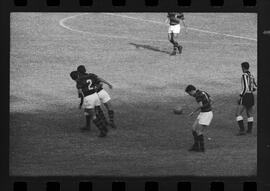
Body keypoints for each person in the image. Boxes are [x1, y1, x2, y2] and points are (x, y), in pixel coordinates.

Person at [70, 69, 108, 137]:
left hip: (89, 98)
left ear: (73, 78)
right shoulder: (88, 76)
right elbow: (98, 82)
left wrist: (81, 102)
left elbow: (80, 93)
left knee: (93, 115)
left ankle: (102, 130)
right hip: (95, 95)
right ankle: (103, 127)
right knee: (93, 112)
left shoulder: (78, 82)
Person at [185, 85, 213, 152]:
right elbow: (212, 100)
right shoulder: (203, 92)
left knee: (199, 131)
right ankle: (196, 146)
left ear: (192, 91)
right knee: (193, 128)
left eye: (189, 93)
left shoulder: (197, 96)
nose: (190, 95)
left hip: (206, 114)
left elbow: (201, 105)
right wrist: (208, 106)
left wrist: (193, 112)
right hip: (203, 112)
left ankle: (201, 149)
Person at [235, 62, 257, 135]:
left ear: (243, 67)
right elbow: (255, 87)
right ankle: (249, 130)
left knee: (238, 113)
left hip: (246, 96)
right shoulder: (252, 76)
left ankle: (242, 130)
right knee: (249, 114)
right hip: (251, 96)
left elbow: (245, 88)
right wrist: (251, 90)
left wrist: (240, 96)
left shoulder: (244, 75)